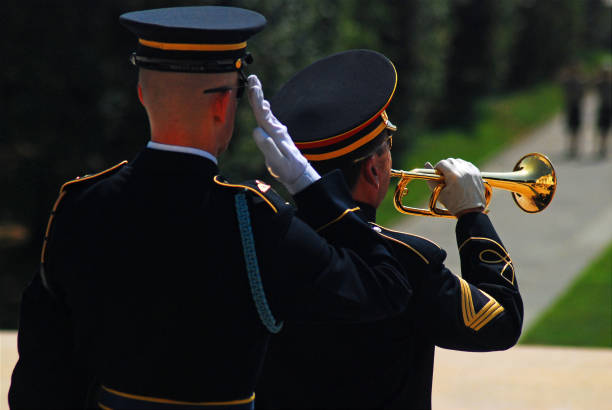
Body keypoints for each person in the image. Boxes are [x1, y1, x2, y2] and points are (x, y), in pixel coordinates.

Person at [8, 10, 415, 410]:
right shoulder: (252, 219)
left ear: (141, 94)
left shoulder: (80, 204)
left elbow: (42, 373)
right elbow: (384, 288)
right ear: (223, 105)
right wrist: (310, 187)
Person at [252, 50, 524, 410]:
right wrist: (472, 214)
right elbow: (502, 323)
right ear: (374, 171)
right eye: (389, 147)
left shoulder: (263, 239)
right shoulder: (408, 260)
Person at [595, 65, 611, 158]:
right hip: (603, 107)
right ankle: (602, 147)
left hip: (609, 108)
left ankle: (604, 147)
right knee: (602, 129)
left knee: (606, 129)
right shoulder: (600, 84)